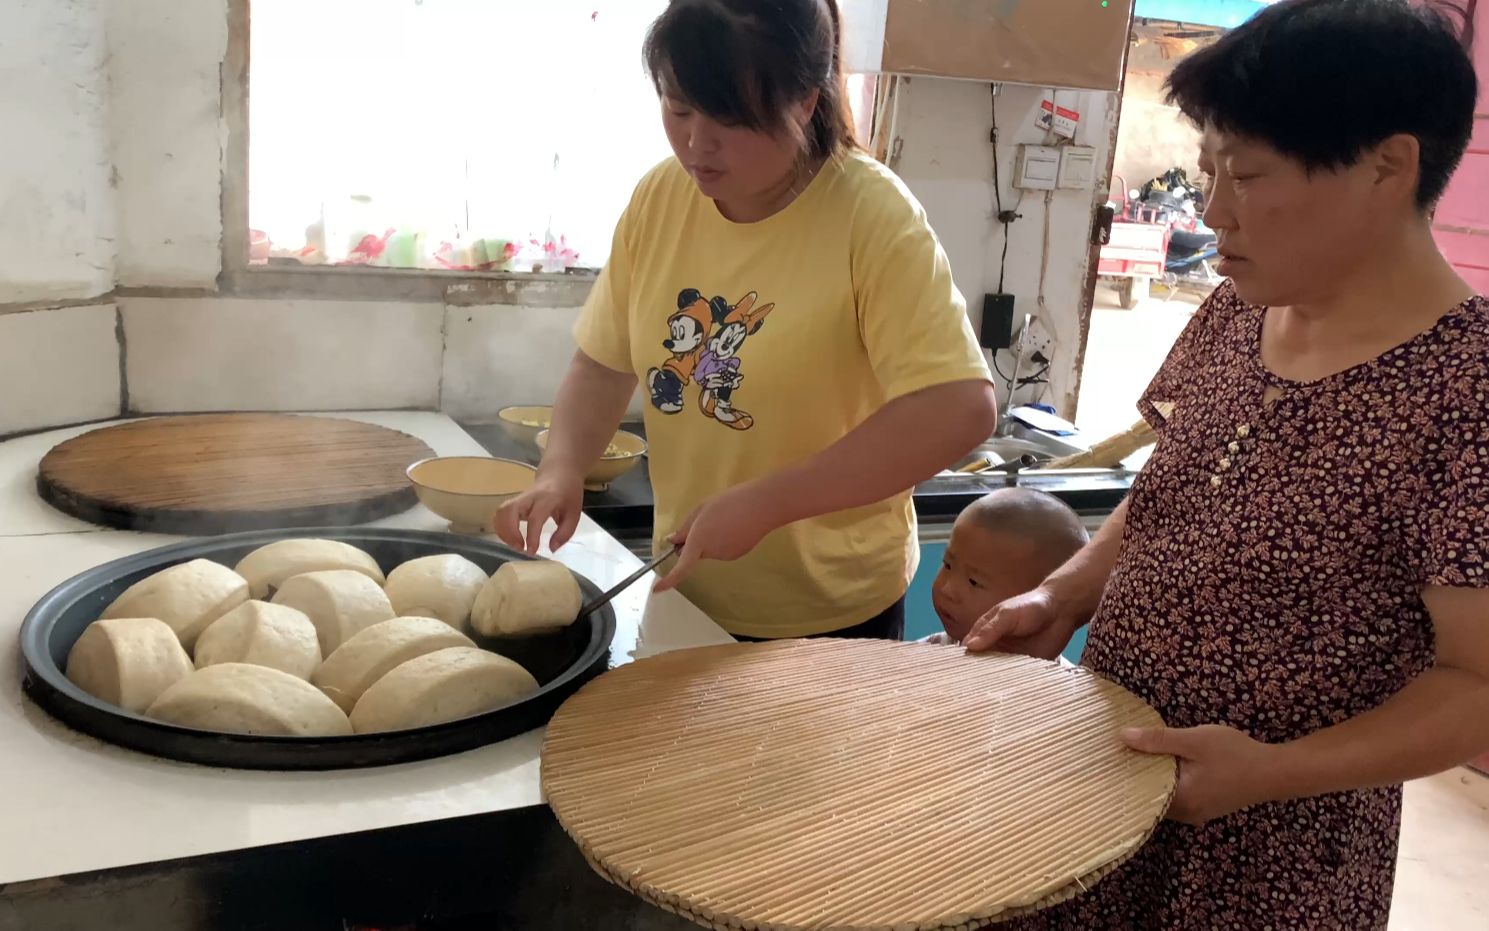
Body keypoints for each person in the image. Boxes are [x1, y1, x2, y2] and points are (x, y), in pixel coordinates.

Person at [963, 1, 1488, 927]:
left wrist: (1273, 771)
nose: (1211, 213)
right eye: (1208, 171)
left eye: (1246, 175)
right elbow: (1175, 490)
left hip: (1277, 845)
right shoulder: (1242, 306)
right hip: (1108, 767)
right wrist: (1066, 594)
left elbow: (1477, 686)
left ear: (1389, 165)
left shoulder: (1465, 388)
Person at [494, 0, 996, 641]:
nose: (697, 144)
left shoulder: (870, 215)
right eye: (679, 110)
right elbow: (602, 364)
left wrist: (769, 502)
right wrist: (560, 471)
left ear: (807, 102)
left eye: (731, 119)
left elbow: (958, 408)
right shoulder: (660, 197)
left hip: (830, 613)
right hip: (687, 587)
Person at [922, 489, 1088, 646]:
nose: (947, 590)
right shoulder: (927, 651)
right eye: (948, 565)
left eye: (973, 582)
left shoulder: (1059, 676)